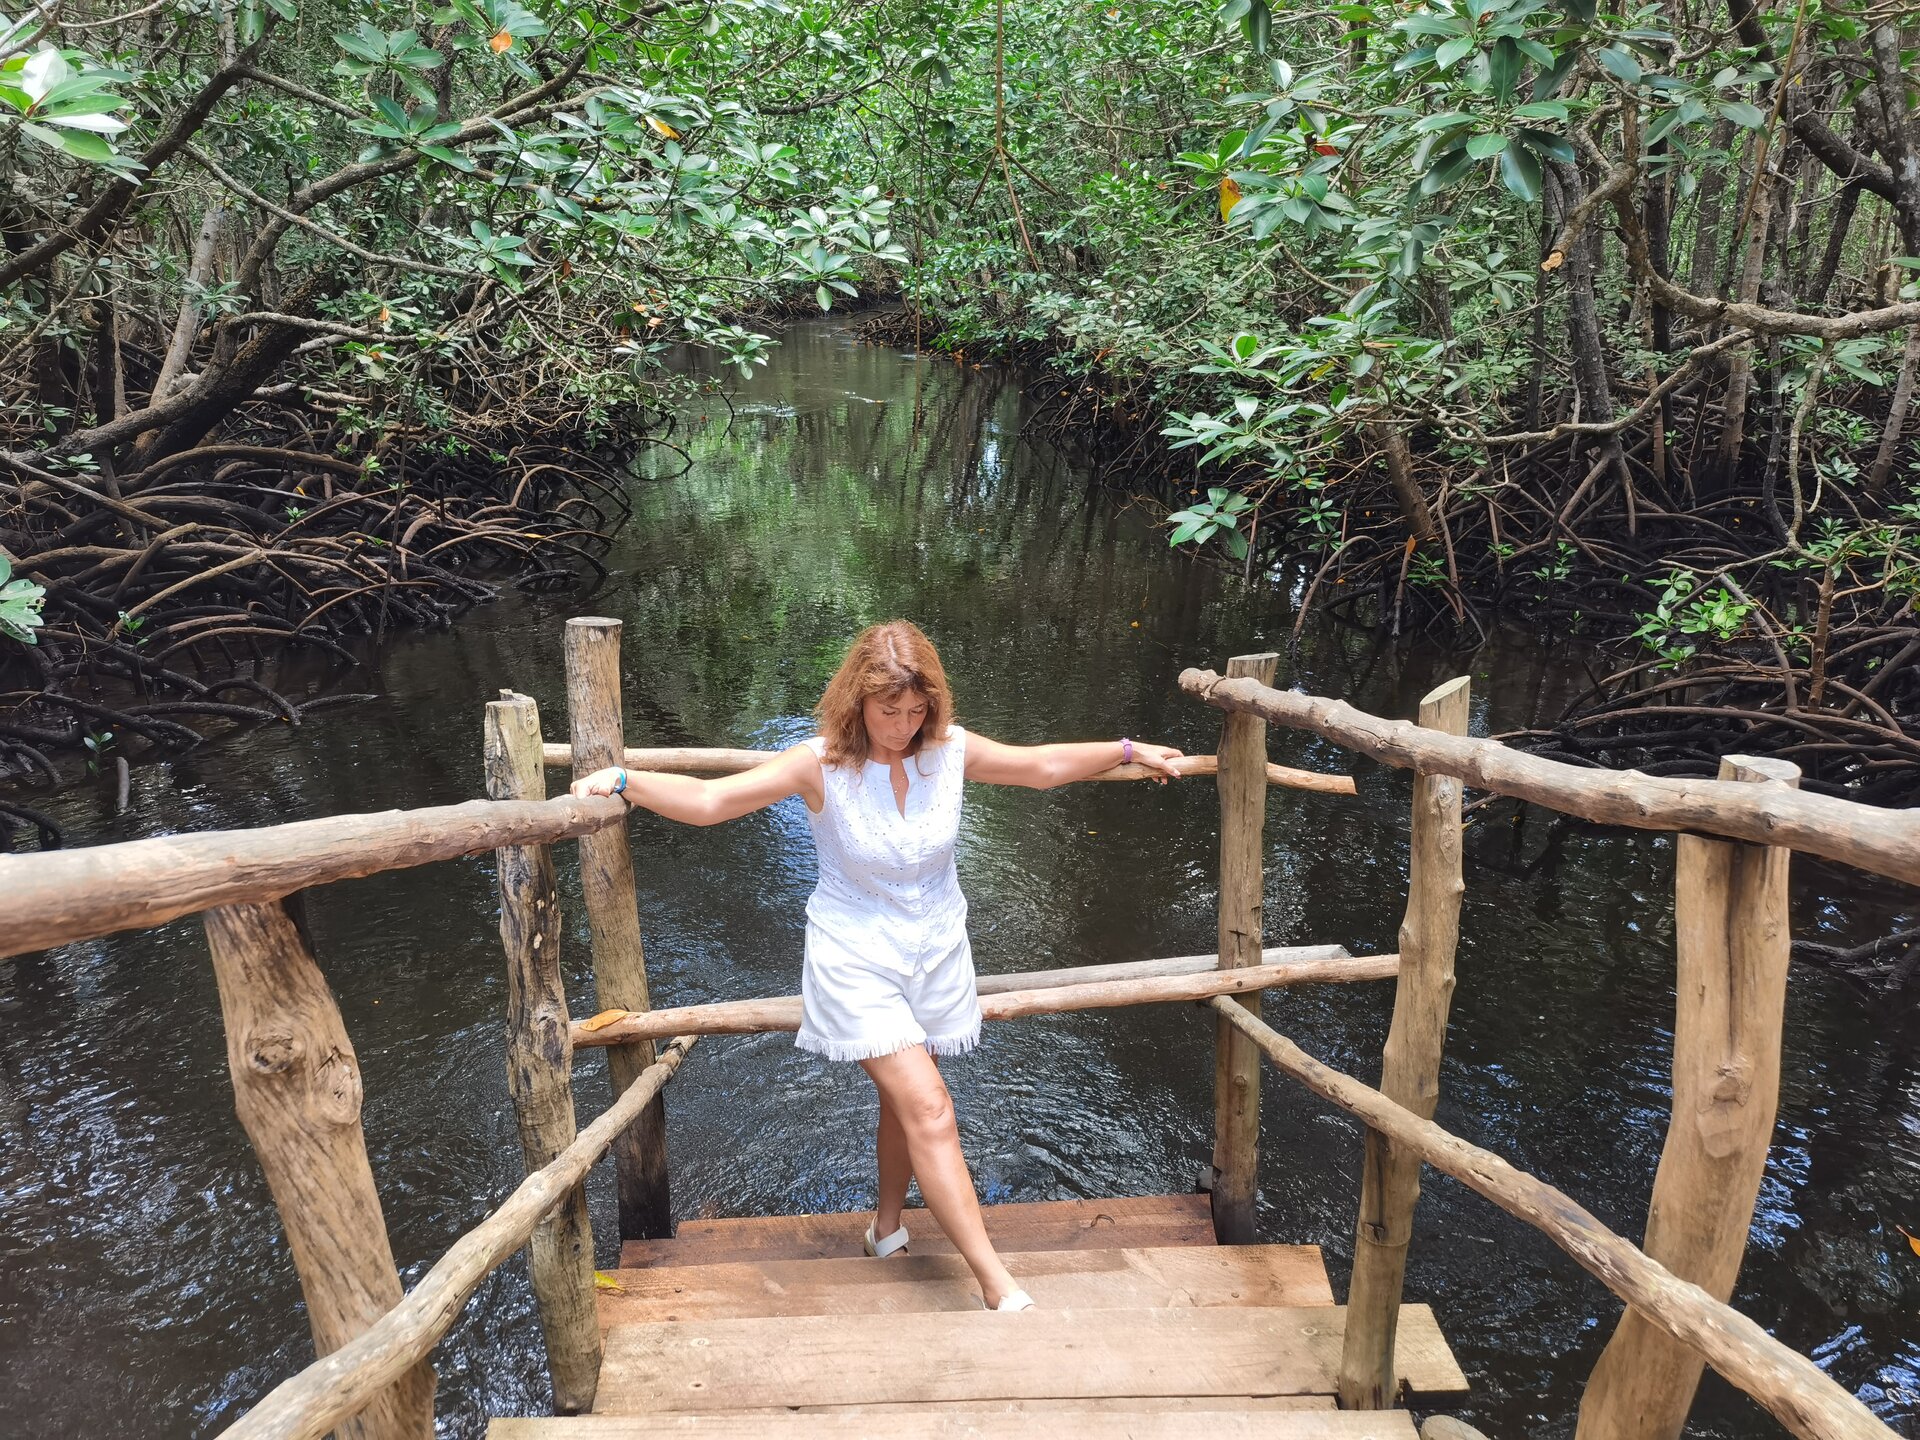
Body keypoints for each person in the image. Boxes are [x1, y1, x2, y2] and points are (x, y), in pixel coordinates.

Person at [570, 619, 1183, 1311]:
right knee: (930, 1105)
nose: (904, 725)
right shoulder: (819, 764)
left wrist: (1127, 749)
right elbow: (713, 802)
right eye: (889, 711)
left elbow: (1039, 767)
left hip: (937, 953)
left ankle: (886, 1229)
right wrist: (625, 780)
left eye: (917, 710)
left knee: (907, 1101)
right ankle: (996, 1283)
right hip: (855, 959)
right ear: (856, 702)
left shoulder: (947, 751)